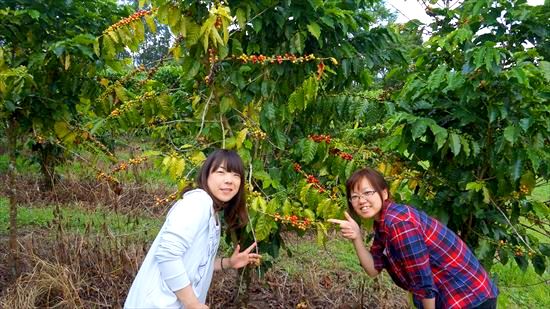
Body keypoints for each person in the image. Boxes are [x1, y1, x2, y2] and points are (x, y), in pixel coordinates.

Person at [328, 168, 498, 309]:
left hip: (469, 297)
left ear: (384, 193)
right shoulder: (384, 223)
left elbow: (422, 279)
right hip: (455, 297)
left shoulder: (398, 223)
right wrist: (356, 237)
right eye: (355, 196)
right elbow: (373, 270)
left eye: (367, 192)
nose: (361, 200)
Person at [124, 149, 261, 309]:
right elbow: (168, 254)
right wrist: (193, 304)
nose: (229, 180)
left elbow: (195, 263)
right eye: (221, 172)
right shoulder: (197, 203)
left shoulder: (211, 212)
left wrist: (229, 263)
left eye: (236, 175)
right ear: (206, 175)